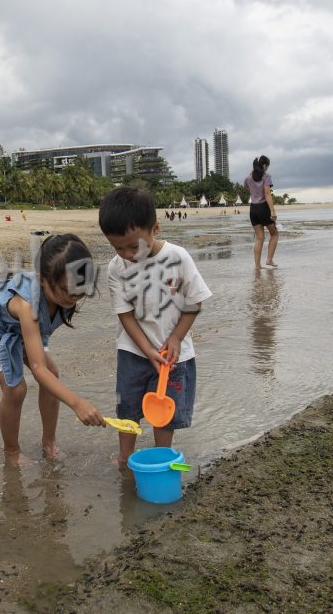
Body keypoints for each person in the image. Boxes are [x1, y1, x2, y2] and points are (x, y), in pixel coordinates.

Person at [0, 234, 106, 464]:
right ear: (42, 280)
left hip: (20, 330)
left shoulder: (64, 298)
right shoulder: (27, 303)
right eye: (67, 291)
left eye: (81, 290)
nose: (75, 298)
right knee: (16, 389)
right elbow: (39, 369)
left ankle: (49, 443)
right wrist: (77, 403)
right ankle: (11, 452)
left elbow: (41, 346)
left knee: (53, 375)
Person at [99, 187, 212, 469]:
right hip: (132, 351)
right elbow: (124, 314)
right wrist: (146, 348)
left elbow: (195, 300)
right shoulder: (116, 267)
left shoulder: (178, 257)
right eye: (117, 247)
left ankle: (162, 457)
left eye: (133, 246)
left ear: (155, 229)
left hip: (174, 354)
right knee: (127, 408)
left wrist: (175, 338)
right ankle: (125, 457)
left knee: (165, 409)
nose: (126, 254)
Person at [244, 155, 278, 269]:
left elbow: (246, 187)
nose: (267, 168)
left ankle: (257, 265)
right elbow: (267, 193)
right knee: (274, 234)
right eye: (267, 166)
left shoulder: (248, 178)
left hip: (253, 208)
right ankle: (269, 259)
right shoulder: (266, 177)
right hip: (263, 207)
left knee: (259, 238)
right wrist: (272, 211)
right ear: (264, 165)